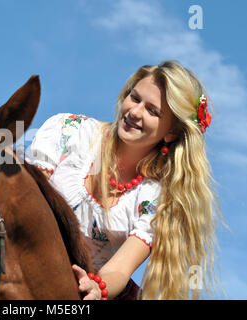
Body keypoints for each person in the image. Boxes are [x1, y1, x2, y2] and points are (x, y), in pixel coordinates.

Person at [25, 60, 220, 300]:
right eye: (135, 98)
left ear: (171, 132)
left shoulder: (159, 199)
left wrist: (96, 286)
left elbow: (119, 269)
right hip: (26, 256)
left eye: (152, 111)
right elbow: (26, 201)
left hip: (86, 290)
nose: (135, 112)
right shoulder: (68, 131)